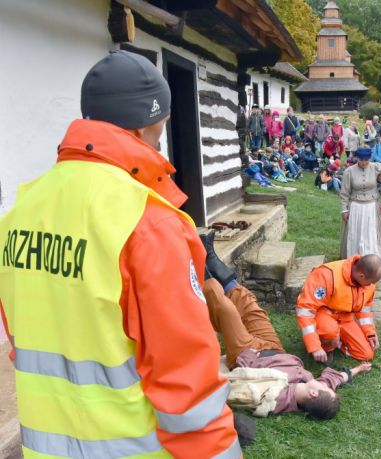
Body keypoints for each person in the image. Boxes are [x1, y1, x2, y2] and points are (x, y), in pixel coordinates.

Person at [0, 50, 240, 458]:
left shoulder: (20, 212)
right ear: (150, 124)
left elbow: (20, 333)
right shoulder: (148, 222)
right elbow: (185, 377)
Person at [199, 232, 372, 420]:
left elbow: (247, 390)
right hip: (273, 347)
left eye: (323, 388)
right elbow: (336, 379)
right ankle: (209, 255)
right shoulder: (313, 384)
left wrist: (247, 358)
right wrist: (358, 369)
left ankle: (196, 262)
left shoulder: (278, 400)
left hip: (246, 354)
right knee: (249, 304)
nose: (324, 383)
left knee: (227, 310)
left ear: (313, 394)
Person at [296, 254, 381, 363]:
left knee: (366, 354)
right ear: (361, 276)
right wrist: (314, 346)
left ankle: (335, 341)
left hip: (345, 317)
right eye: (370, 282)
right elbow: (305, 310)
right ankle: (325, 347)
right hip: (323, 314)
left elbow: (365, 309)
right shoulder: (325, 274)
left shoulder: (367, 281)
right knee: (329, 331)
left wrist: (370, 333)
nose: (371, 285)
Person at [340, 148, 381, 259]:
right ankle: (355, 258)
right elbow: (344, 193)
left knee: (371, 233)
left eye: (366, 160)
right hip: (355, 206)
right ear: (357, 158)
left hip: (371, 206)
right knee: (355, 234)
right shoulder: (349, 171)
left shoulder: (377, 168)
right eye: (361, 160)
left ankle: (372, 259)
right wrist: (344, 209)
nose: (364, 162)